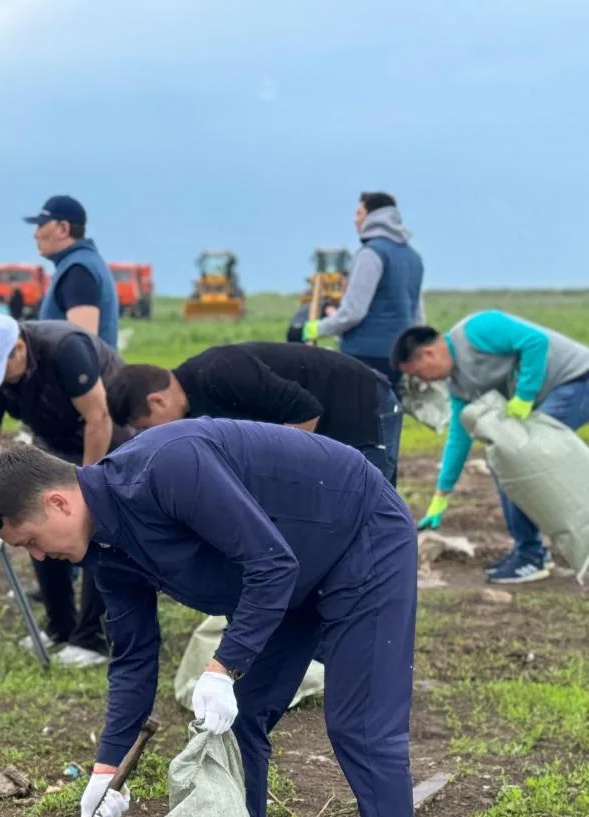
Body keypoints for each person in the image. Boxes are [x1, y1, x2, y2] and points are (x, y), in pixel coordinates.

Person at [0, 426, 421, 817]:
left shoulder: (167, 468)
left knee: (361, 730)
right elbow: (134, 659)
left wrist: (222, 667)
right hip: (289, 575)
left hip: (360, 535)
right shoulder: (107, 554)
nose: (40, 556)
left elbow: (270, 563)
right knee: (237, 729)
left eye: (30, 542)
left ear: (57, 502)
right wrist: (107, 770)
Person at [0, 312, 117, 667]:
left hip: (108, 433)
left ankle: (93, 637)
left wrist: (88, 486)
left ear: (18, 349)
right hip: (53, 439)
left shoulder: (64, 349)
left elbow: (100, 419)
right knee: (35, 522)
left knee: (96, 528)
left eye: (0, 370)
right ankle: (61, 624)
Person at [394, 313, 589, 584]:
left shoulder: (477, 329)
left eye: (418, 374)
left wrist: (524, 396)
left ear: (428, 354)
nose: (424, 382)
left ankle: (531, 555)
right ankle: (530, 551)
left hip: (577, 379)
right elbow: (460, 435)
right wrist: (442, 495)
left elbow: (536, 342)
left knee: (517, 458)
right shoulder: (459, 385)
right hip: (546, 396)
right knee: (503, 460)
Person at [107, 341, 404, 484]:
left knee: (371, 501)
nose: (153, 434)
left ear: (157, 401)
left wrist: (276, 473)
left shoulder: (218, 373)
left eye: (147, 427)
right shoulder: (194, 405)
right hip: (329, 421)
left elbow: (306, 410)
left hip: (364, 401)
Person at [303, 193, 424, 395]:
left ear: (375, 216)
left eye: (359, 212)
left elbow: (353, 313)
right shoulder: (413, 257)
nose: (355, 219)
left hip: (364, 357)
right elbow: (418, 316)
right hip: (399, 358)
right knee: (388, 419)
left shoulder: (370, 254)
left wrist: (317, 328)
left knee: (358, 422)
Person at [25, 194, 119, 347]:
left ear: (63, 229)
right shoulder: (83, 263)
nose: (36, 234)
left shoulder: (77, 271)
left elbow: (84, 347)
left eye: (41, 225)